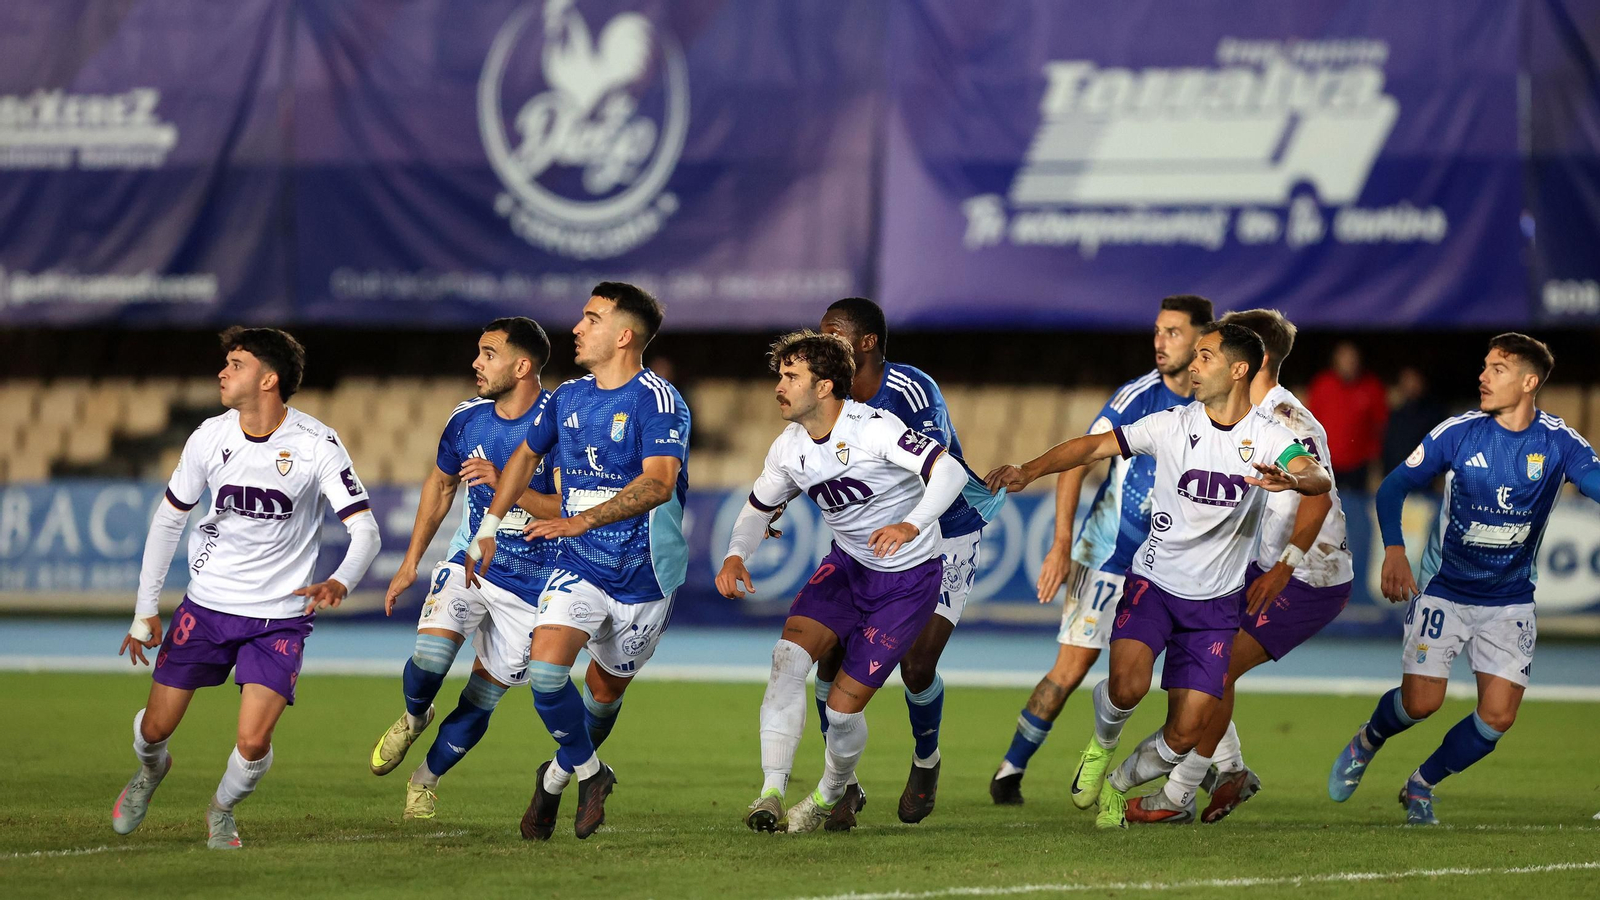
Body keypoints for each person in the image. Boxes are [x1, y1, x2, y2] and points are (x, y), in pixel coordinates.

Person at [985, 323, 1331, 829]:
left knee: (1185, 733)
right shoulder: (1170, 423)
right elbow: (1090, 448)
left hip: (1215, 605)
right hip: (1154, 587)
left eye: (1205, 357)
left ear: (1238, 370)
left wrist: (1296, 478)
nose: (1193, 366)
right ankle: (1100, 749)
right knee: (1127, 688)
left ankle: (1118, 786)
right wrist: (1028, 470)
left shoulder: (1268, 436)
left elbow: (1318, 478)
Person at [113, 327, 381, 849]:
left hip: (280, 615)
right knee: (153, 732)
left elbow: (365, 530)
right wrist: (146, 609)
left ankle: (221, 810)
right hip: (208, 607)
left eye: (236, 363)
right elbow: (169, 521)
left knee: (254, 740)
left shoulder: (315, 443)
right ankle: (149, 772)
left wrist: (340, 580)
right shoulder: (210, 436)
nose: (222, 371)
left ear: (268, 379)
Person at [1329, 334, 1600, 825]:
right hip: (1444, 591)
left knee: (1497, 718)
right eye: (1485, 366)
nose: (1483, 375)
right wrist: (1394, 549)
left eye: (1497, 368)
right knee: (1421, 703)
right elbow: (1393, 488)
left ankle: (1421, 785)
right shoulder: (1459, 432)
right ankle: (1368, 738)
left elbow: (1595, 481)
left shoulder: (1559, 442)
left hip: (1511, 599)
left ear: (1529, 382)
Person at [717, 330, 968, 834]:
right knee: (787, 659)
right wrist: (735, 555)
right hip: (849, 567)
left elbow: (952, 473)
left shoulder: (874, 428)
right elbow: (757, 507)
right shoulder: (788, 447)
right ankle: (770, 792)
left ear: (826, 386)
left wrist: (910, 524)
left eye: (791, 377)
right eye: (780, 376)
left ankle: (827, 796)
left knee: (843, 711)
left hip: (906, 581)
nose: (779, 387)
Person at [466, 282, 690, 841]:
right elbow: (523, 456)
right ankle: (592, 774)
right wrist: (490, 525)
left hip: (645, 575)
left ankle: (554, 782)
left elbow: (659, 484)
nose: (576, 327)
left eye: (591, 318)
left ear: (623, 335)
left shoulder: (658, 401)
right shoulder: (566, 397)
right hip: (579, 565)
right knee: (545, 674)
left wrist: (580, 518)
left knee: (603, 691)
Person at [990, 295, 1210, 805]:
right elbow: (1079, 460)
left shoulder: (1216, 406)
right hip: (1107, 556)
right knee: (1070, 669)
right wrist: (1062, 543)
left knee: (1191, 674)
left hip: (1175, 569)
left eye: (1173, 332)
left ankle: (1196, 776)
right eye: (1157, 330)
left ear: (1204, 340)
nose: (1160, 341)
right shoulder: (1136, 397)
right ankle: (1009, 769)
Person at [1153, 309, 1353, 824]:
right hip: (1261, 566)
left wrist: (1285, 567)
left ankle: (1177, 795)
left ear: (1249, 360)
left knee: (1214, 669)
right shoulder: (1238, 416)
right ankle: (1232, 769)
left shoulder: (1288, 421)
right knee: (1190, 655)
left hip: (1307, 576)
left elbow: (1318, 498)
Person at [815, 297, 1004, 827]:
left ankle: (926, 761)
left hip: (945, 531)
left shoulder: (913, 389)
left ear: (867, 342)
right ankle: (843, 785)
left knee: (917, 664)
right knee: (827, 653)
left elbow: (935, 469)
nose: (822, 341)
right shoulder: (831, 394)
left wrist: (906, 523)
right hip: (874, 539)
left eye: (833, 333)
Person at [369, 318, 560, 821]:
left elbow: (567, 510)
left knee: (482, 698)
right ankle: (414, 717)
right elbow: (440, 484)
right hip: (471, 564)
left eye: (489, 353)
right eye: (478, 352)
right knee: (429, 661)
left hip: (536, 587)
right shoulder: (467, 418)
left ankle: (424, 782)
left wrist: (507, 484)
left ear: (522, 366)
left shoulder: (560, 422)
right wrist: (410, 562)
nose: (476, 362)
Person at [1381, 366, 1448, 477]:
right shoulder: (1391, 410)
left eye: (1415, 380)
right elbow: (1381, 443)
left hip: (1425, 479)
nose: (1411, 385)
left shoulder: (1434, 412)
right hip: (1393, 476)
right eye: (1407, 380)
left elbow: (1442, 446)